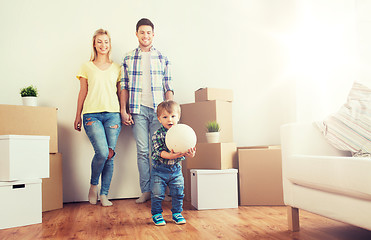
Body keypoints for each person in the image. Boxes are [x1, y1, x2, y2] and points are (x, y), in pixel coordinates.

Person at [120, 18, 174, 204]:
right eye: (142, 32)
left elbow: (168, 86)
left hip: (159, 111)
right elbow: (124, 86)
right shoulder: (128, 58)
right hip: (137, 110)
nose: (145, 35)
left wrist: (169, 112)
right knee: (142, 151)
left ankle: (160, 190)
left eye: (148, 32)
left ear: (153, 34)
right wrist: (123, 110)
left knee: (160, 150)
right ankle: (146, 191)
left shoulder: (162, 58)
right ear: (137, 34)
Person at [74, 29, 122, 207]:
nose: (103, 45)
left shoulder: (117, 68)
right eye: (100, 41)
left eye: (106, 42)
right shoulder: (86, 66)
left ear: (110, 44)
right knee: (101, 152)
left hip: (113, 115)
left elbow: (120, 92)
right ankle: (94, 185)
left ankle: (104, 194)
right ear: (94, 44)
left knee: (109, 154)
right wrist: (77, 115)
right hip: (91, 114)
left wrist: (124, 111)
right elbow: (82, 91)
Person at [150, 100, 196, 226]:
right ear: (159, 119)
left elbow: (188, 151)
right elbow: (159, 152)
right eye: (165, 117)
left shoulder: (183, 133)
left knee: (178, 192)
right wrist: (170, 155)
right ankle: (157, 214)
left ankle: (177, 213)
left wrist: (191, 153)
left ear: (178, 117)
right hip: (159, 170)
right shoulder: (157, 135)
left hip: (175, 170)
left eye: (173, 116)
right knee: (157, 194)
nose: (169, 119)